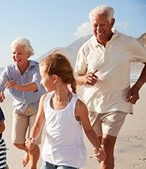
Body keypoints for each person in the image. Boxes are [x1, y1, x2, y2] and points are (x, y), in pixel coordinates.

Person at [74, 5, 146, 169]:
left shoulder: (127, 43)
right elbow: (75, 77)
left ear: (112, 22)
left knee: (106, 146)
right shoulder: (86, 48)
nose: (98, 29)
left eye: (102, 25)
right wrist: (84, 78)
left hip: (118, 102)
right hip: (91, 105)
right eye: (95, 25)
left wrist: (137, 87)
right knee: (101, 151)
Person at [26, 52, 106, 169]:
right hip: (49, 156)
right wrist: (31, 138)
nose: (41, 82)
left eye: (43, 77)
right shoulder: (45, 99)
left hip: (70, 160)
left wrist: (98, 147)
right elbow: (38, 124)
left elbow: (88, 129)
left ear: (54, 78)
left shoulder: (77, 106)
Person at [0, 37, 46, 169]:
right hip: (20, 109)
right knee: (16, 142)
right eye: (14, 53)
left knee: (32, 142)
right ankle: (28, 153)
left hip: (36, 107)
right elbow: (0, 84)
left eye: (20, 53)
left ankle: (33, 166)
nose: (16, 56)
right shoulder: (9, 69)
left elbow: (36, 86)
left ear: (28, 54)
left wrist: (18, 86)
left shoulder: (37, 67)